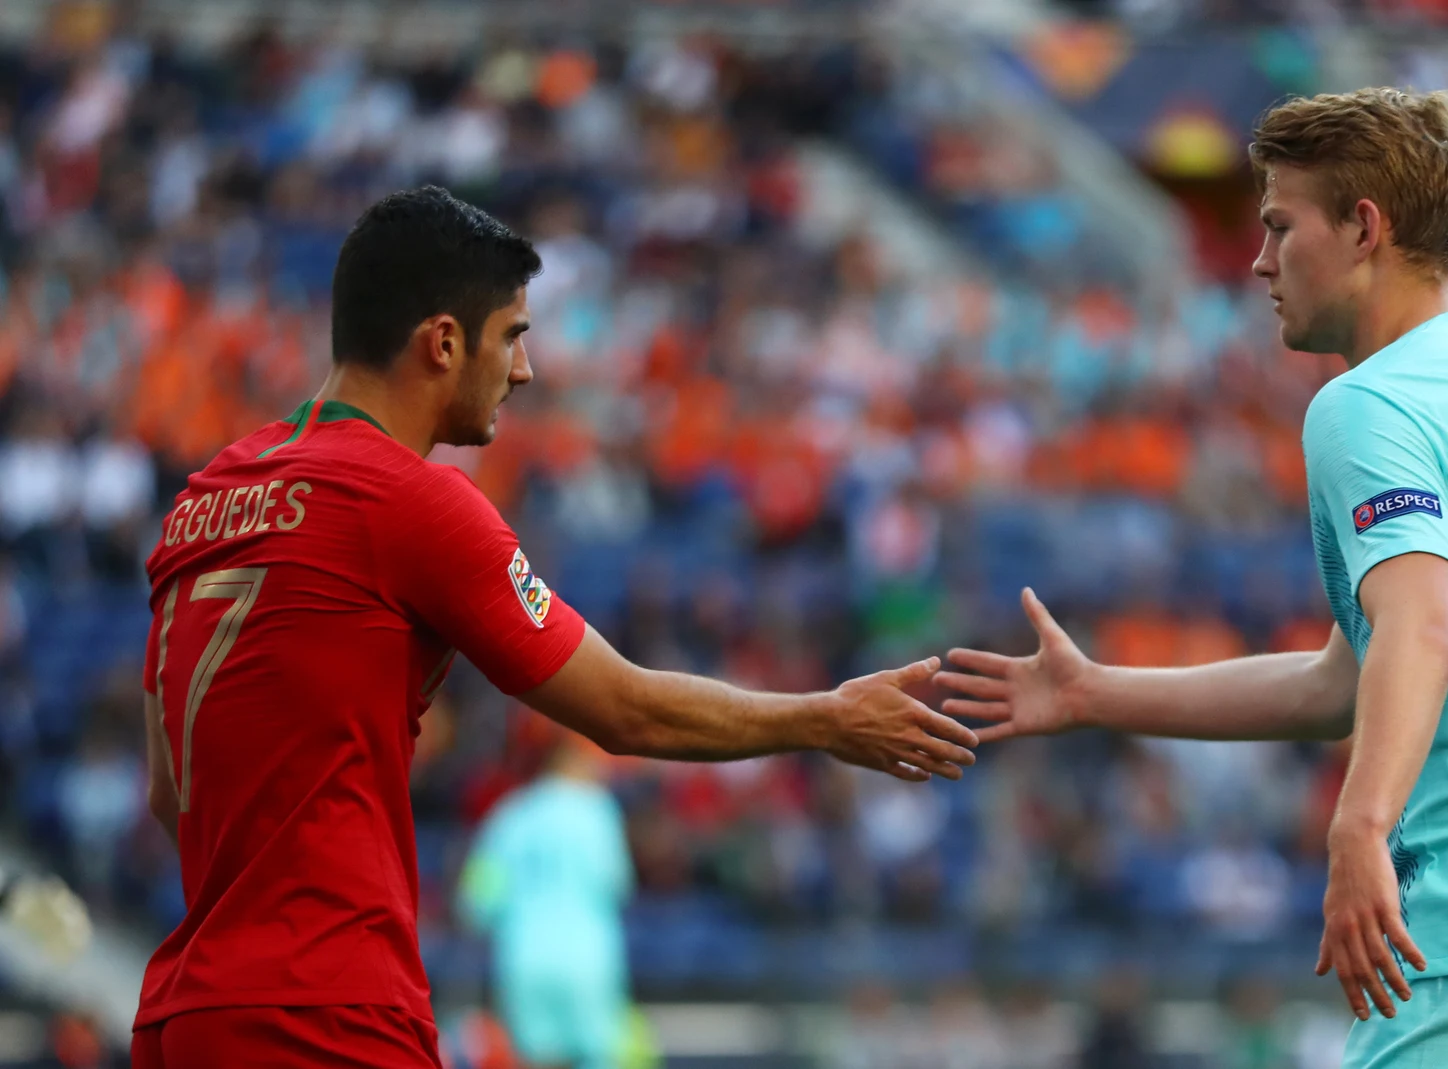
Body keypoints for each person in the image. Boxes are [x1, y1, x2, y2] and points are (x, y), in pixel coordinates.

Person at [935, 88, 1448, 1069]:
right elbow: (1345, 681)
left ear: (1363, 228)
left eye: (1276, 227)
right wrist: (1096, 690)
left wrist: (1358, 830)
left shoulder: (1369, 404)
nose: (1259, 261)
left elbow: (1422, 630)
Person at [134, 186, 979, 1069]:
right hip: (328, 1010)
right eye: (513, 335)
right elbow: (626, 709)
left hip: (187, 1010)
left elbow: (168, 790)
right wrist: (828, 718)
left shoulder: (204, 500)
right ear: (444, 341)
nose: (524, 370)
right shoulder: (408, 502)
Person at [457, 734, 633, 1069]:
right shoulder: (597, 810)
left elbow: (476, 903)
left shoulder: (510, 814)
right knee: (596, 1057)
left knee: (536, 1060)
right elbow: (617, 883)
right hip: (589, 959)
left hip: (525, 958)